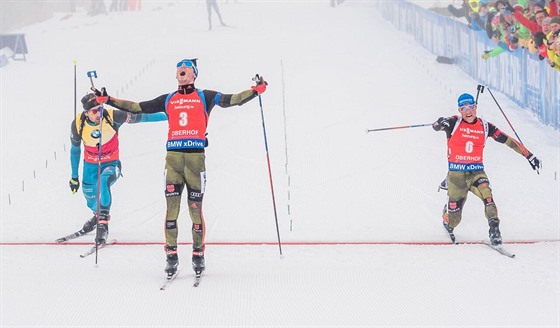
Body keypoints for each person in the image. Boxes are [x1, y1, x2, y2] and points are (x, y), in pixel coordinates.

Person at [93, 58, 267, 278]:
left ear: (194, 74)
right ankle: (171, 256)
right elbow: (137, 106)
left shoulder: (206, 96)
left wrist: (255, 91)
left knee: (195, 211)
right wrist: (108, 100)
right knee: (172, 211)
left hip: (195, 161)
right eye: (179, 69)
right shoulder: (169, 99)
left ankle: (198, 254)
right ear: (176, 76)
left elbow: (233, 100)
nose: (181, 71)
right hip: (173, 160)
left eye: (186, 68)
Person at [432, 93, 541, 245]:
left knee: (487, 196)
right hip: (457, 176)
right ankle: (448, 215)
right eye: (464, 108)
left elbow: (508, 140)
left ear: (475, 107)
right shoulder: (453, 123)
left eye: (470, 107)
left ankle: (494, 230)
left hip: (476, 172)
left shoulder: (485, 126)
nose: (468, 111)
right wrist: (439, 122)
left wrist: (529, 155)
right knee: (454, 221)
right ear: (459, 110)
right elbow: (437, 126)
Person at [69, 93, 167, 245]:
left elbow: (143, 118)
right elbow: (75, 150)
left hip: (111, 164)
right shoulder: (78, 124)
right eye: (94, 111)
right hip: (90, 166)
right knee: (91, 199)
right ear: (86, 112)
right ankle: (97, 215)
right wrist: (74, 177)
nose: (99, 114)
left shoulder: (112, 116)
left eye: (100, 109)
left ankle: (103, 224)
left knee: (104, 182)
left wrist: (170, 115)